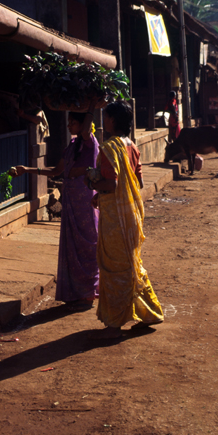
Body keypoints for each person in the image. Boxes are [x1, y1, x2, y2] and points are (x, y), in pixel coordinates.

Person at [84, 100, 164, 339]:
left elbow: (113, 183)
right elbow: (136, 182)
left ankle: (115, 322)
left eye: (106, 117)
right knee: (132, 263)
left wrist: (93, 184)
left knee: (114, 266)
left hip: (115, 219)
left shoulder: (108, 148)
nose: (103, 121)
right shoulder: (131, 146)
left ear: (113, 121)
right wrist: (103, 194)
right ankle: (150, 313)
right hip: (132, 214)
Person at [13, 99, 99, 310]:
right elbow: (55, 171)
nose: (69, 126)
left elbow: (87, 128)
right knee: (73, 248)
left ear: (83, 126)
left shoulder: (91, 143)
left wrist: (90, 106)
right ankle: (77, 292)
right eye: (69, 123)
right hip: (70, 204)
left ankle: (89, 292)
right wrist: (28, 169)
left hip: (86, 203)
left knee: (88, 246)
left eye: (73, 123)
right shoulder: (71, 146)